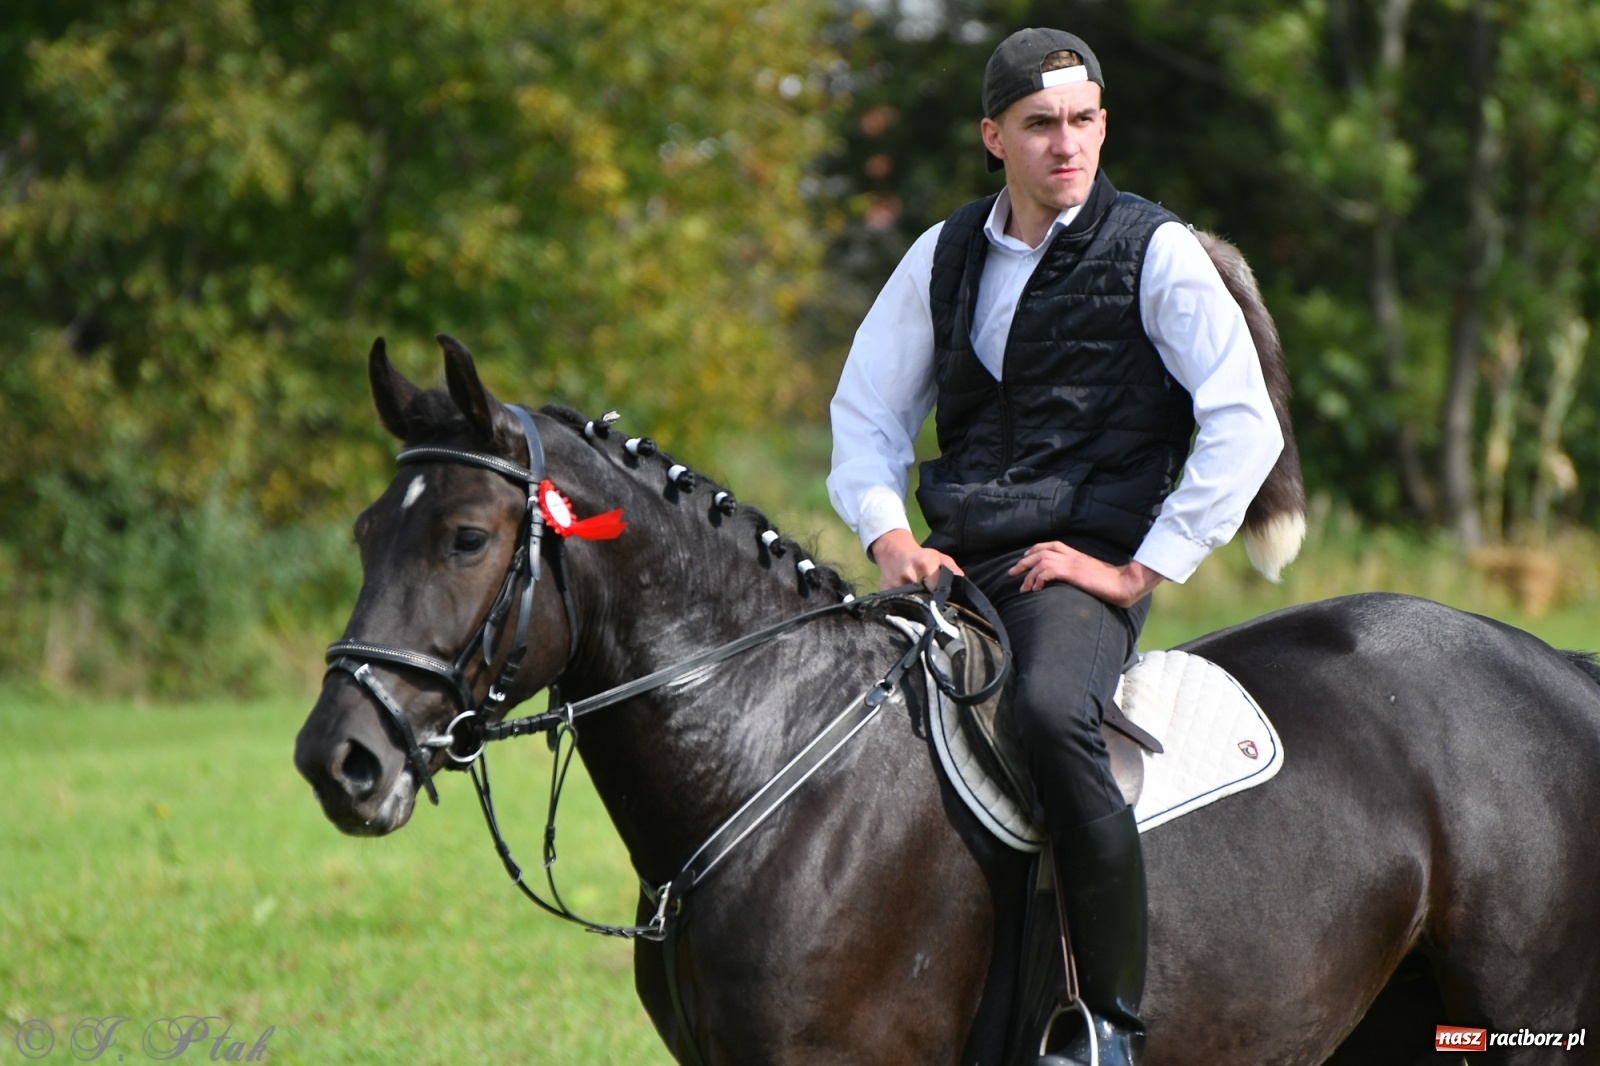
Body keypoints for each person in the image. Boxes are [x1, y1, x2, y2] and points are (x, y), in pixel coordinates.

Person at [827, 27, 1285, 1066]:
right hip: (954, 553)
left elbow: (1244, 422)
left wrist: (1135, 568)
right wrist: (888, 534)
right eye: (1039, 125)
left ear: (1103, 125)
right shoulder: (942, 252)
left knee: (1043, 709)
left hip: (1079, 564)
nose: (1064, 144)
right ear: (994, 136)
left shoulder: (1153, 250)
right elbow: (863, 412)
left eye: (1082, 121)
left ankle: (1107, 1026)